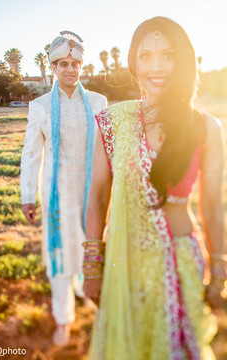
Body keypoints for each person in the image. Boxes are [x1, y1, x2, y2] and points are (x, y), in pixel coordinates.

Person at [83, 17, 225, 360]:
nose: (156, 67)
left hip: (181, 263)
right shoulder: (113, 123)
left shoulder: (205, 127)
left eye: (167, 55)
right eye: (145, 56)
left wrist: (219, 269)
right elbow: (98, 197)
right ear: (134, 61)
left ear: (183, 61)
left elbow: (212, 207)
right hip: (125, 265)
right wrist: (92, 267)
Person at [20, 31, 107, 346]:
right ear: (53, 67)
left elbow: (105, 152)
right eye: (63, 64)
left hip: (90, 196)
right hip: (56, 198)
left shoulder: (98, 103)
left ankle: (89, 294)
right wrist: (27, 195)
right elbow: (31, 154)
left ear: (82, 66)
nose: (70, 69)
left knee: (91, 246)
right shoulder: (40, 106)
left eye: (76, 63)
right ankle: (63, 318)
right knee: (59, 255)